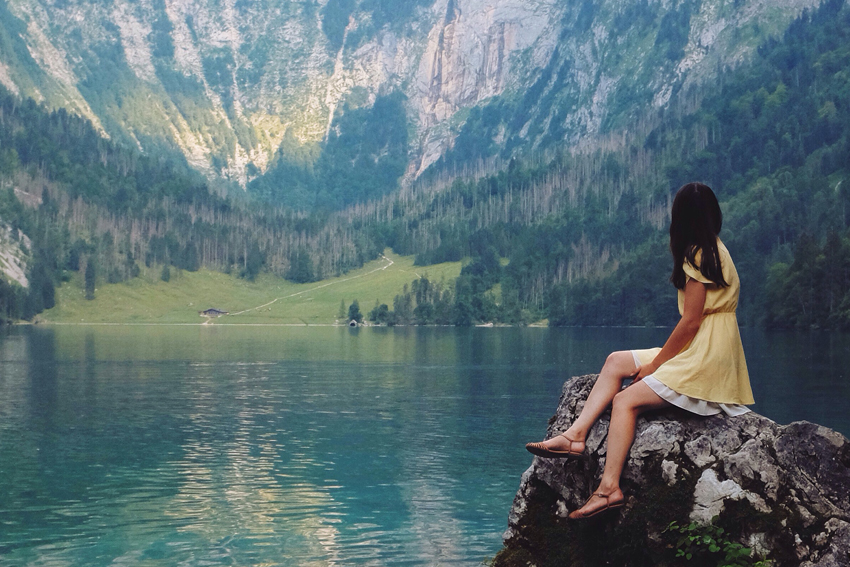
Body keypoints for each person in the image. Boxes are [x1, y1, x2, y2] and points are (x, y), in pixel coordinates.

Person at [525, 182, 754, 520]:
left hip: (706, 355)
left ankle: (608, 489)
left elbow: (690, 323)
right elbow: (695, 326)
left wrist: (656, 366)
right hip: (707, 346)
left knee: (625, 401)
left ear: (681, 219)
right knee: (616, 361)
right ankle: (575, 436)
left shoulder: (699, 254)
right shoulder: (715, 248)